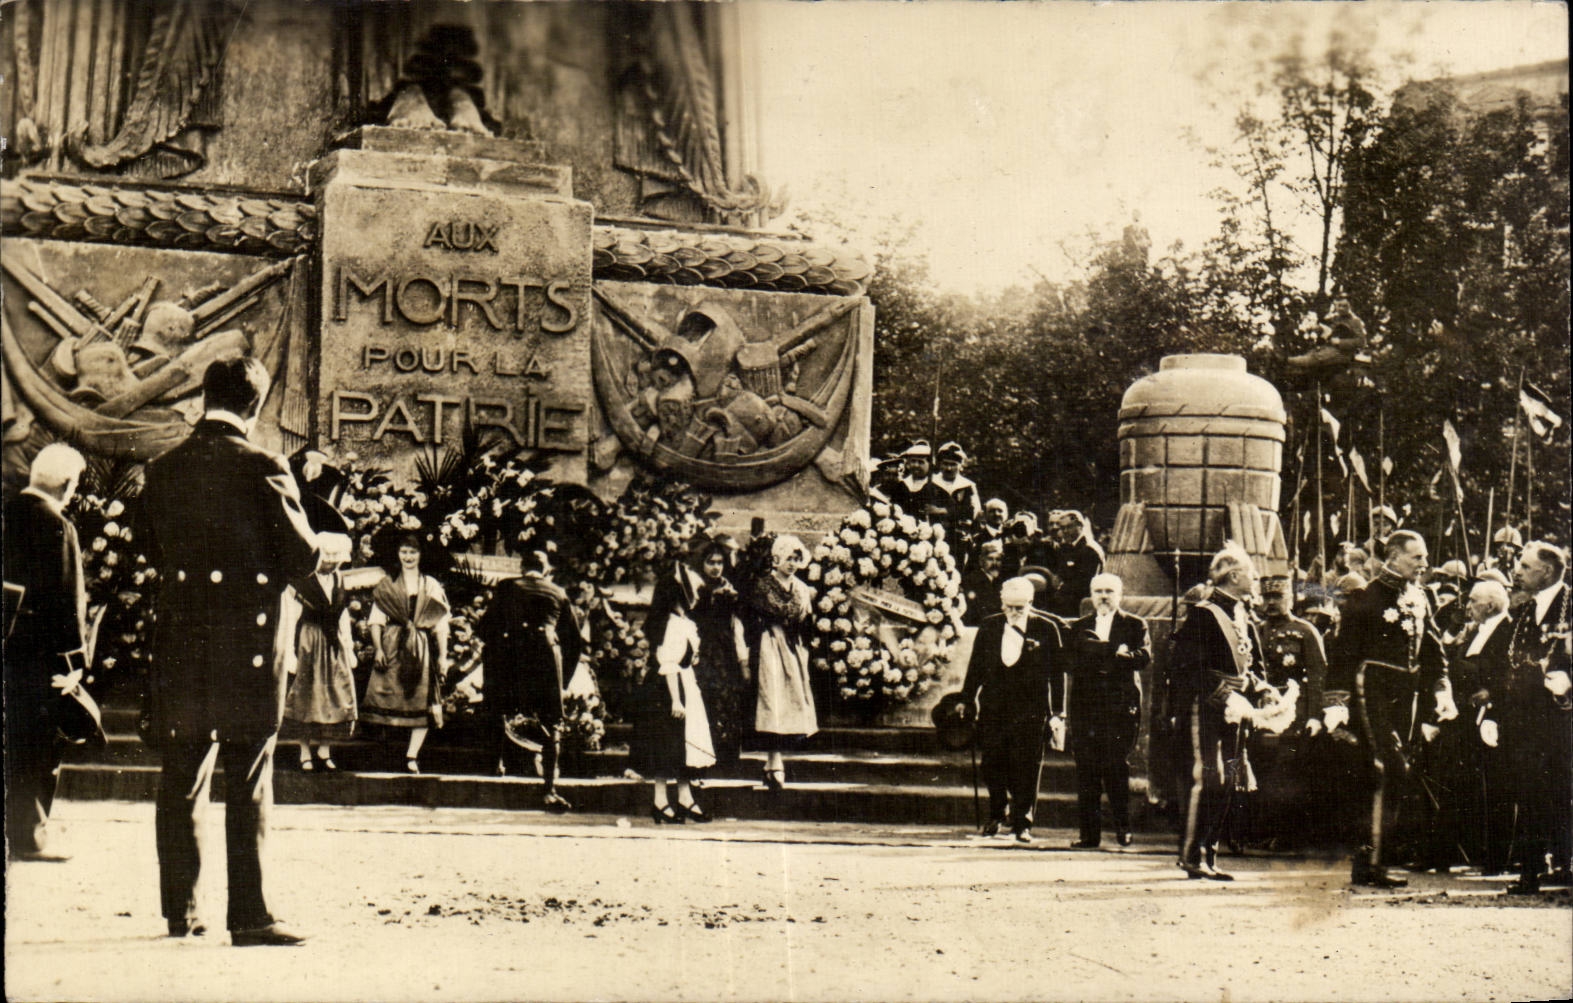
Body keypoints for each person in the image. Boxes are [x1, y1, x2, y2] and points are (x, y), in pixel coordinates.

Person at [138, 357, 334, 945]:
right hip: (246, 647)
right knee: (248, 775)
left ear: (205, 397)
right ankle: (250, 915)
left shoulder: (163, 467)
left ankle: (182, 911)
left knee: (180, 774)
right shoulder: (264, 465)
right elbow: (300, 557)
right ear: (256, 403)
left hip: (181, 645)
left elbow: (150, 548)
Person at [1320, 529, 1454, 888]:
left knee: (1389, 772)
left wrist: (1442, 688)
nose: (1424, 564)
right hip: (1372, 688)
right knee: (1388, 766)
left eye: (1425, 557)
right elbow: (1344, 653)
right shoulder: (1366, 597)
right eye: (1417, 557)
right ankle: (1376, 863)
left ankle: (1368, 860)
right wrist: (1335, 703)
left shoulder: (1421, 595)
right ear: (1393, 557)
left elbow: (1433, 649)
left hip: (1405, 696)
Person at [4, 442, 89, 863]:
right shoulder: (57, 526)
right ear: (66, 484)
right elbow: (67, 604)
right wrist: (73, 665)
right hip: (38, 660)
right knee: (36, 747)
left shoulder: (6, 512)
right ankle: (29, 839)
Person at [1170, 543, 1269, 881]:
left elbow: (1246, 666)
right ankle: (1191, 855)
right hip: (1207, 708)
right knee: (1209, 777)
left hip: (1235, 710)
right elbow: (1183, 666)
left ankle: (1208, 855)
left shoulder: (1242, 614)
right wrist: (1222, 692)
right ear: (1235, 575)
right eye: (1251, 574)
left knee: (1229, 782)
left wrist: (1262, 688)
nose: (1256, 579)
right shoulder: (1203, 614)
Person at [959, 576, 1065, 843]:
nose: (1015, 613)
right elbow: (976, 667)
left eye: (1021, 608)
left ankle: (1023, 823)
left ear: (1031, 603)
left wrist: (1058, 711)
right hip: (994, 706)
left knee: (1027, 766)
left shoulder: (1046, 629)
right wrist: (966, 698)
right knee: (992, 762)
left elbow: (1056, 674)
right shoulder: (990, 626)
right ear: (1002, 603)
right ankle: (997, 814)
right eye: (1010, 607)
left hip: (1031, 708)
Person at [475, 549, 581, 812]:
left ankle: (495, 769)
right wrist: (563, 680)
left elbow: (485, 627)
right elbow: (574, 642)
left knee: (500, 709)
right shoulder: (558, 593)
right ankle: (549, 788)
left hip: (513, 659)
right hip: (546, 660)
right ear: (545, 570)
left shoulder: (507, 587)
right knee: (552, 721)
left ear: (522, 568)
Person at [1499, 541, 1571, 893]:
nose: (1517, 571)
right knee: (1529, 792)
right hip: (1526, 719)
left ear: (1546, 571)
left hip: (1562, 719)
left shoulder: (1569, 604)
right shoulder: (1527, 610)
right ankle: (1530, 872)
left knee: (1562, 792)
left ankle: (1563, 865)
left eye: (1525, 566)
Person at [1065, 573, 1150, 850]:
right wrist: (1107, 654)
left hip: (1119, 707)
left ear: (1119, 595)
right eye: (1098, 591)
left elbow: (1144, 657)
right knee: (1087, 771)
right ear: (1091, 595)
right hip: (1086, 707)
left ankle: (1123, 829)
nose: (1104, 596)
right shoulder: (1079, 627)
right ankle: (1089, 835)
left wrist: (1117, 656)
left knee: (1116, 768)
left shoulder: (1135, 625)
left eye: (1109, 591)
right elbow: (1070, 661)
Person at [630, 559, 717, 823]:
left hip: (684, 682)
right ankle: (660, 800)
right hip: (669, 687)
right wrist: (676, 700)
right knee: (667, 746)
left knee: (681, 748)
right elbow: (667, 662)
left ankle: (684, 797)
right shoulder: (670, 623)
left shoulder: (684, 621)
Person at [362, 533, 451, 774]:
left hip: (420, 649)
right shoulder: (388, 583)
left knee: (420, 700)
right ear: (397, 554)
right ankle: (384, 753)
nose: (408, 557)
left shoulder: (430, 584)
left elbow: (440, 624)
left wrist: (442, 657)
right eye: (404, 551)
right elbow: (376, 620)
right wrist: (379, 648)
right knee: (385, 695)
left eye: (413, 552)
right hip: (392, 644)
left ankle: (411, 756)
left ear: (421, 555)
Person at [1447, 579, 1515, 875]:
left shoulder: (1510, 629)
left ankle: (1498, 859)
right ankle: (1470, 852)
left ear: (1489, 604)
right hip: (1466, 715)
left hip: (1494, 716)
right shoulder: (1474, 630)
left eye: (1473, 601)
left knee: (1498, 788)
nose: (1468, 606)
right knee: (1469, 785)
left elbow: (1511, 671)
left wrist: (1492, 693)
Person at [1252, 575, 1326, 847]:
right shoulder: (1256, 631)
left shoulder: (1306, 631)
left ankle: (1287, 833)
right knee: (1261, 767)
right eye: (1267, 597)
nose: (1271, 603)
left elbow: (1318, 675)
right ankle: (1261, 830)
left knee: (1288, 771)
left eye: (1278, 597)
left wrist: (1316, 715)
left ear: (1290, 599)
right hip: (1263, 709)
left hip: (1296, 712)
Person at [743, 534, 818, 790]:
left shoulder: (801, 588)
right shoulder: (763, 586)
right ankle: (774, 761)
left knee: (791, 700)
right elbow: (752, 619)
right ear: (776, 559)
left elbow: (805, 618)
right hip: (769, 645)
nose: (793, 564)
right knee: (771, 700)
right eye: (788, 558)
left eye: (797, 559)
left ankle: (775, 762)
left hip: (792, 646)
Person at [279, 535, 358, 772]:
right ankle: (304, 751)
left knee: (334, 695)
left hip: (334, 643)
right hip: (309, 642)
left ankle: (325, 750)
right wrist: (290, 652)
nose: (331, 563)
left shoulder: (339, 579)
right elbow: (291, 619)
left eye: (336, 558)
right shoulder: (302, 582)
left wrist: (349, 645)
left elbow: (342, 613)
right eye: (328, 557)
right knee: (306, 696)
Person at [689, 540, 751, 768]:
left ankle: (725, 757)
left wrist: (743, 662)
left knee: (727, 700)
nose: (716, 567)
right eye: (710, 562)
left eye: (719, 562)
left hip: (725, 654)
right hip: (702, 651)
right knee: (704, 698)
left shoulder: (730, 591)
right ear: (701, 564)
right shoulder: (695, 590)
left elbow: (737, 629)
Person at [1040, 510, 1104, 619]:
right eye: (1063, 528)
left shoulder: (1089, 549)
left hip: (1081, 603)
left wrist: (1061, 587)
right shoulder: (1066, 547)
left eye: (1069, 527)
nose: (1065, 531)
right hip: (1066, 599)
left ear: (1080, 526)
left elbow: (1085, 583)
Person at [931, 441, 982, 560]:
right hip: (935, 536)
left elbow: (971, 511)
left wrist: (942, 511)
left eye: (953, 464)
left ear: (960, 465)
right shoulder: (931, 482)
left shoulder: (968, 486)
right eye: (945, 464)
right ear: (940, 464)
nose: (949, 468)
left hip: (958, 538)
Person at [885, 441, 948, 524]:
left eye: (921, 462)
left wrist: (939, 510)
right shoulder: (901, 485)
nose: (916, 465)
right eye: (913, 461)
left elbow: (955, 509)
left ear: (930, 464)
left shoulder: (937, 486)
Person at [960, 539, 1006, 627]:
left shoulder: (999, 582)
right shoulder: (971, 580)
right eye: (990, 559)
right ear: (981, 561)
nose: (995, 563)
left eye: (998, 559)